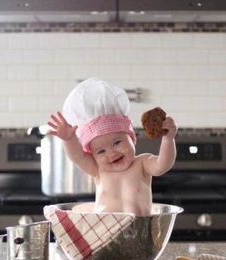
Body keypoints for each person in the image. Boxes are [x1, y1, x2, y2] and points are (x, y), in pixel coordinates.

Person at [47, 78, 177, 216]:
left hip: (138, 230)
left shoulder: (142, 163)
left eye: (117, 143)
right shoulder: (98, 169)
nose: (111, 153)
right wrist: (69, 140)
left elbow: (163, 164)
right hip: (103, 231)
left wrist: (168, 139)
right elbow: (78, 157)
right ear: (93, 155)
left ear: (133, 138)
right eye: (101, 151)